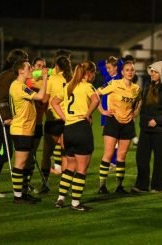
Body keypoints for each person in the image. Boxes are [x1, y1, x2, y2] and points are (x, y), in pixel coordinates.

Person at [52, 60, 99, 211]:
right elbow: (96, 100)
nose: (94, 76)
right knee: (81, 169)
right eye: (93, 73)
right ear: (88, 73)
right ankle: (75, 203)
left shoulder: (68, 86)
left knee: (70, 166)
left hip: (68, 130)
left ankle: (60, 199)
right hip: (81, 129)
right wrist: (87, 114)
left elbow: (54, 102)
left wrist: (65, 117)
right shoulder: (87, 86)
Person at [97, 61, 141, 194]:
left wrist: (136, 112)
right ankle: (102, 186)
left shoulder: (136, 88)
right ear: (122, 72)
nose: (129, 72)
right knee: (108, 154)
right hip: (113, 122)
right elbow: (96, 93)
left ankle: (119, 186)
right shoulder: (114, 83)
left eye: (132, 70)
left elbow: (139, 100)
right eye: (127, 70)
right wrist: (102, 111)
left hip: (127, 123)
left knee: (121, 156)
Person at [0, 49, 28, 198]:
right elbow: (0, 99)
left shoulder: (8, 74)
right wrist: (7, 118)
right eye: (26, 60)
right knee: (5, 154)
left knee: (1, 152)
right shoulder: (10, 77)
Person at [132, 61, 162, 193]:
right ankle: (141, 185)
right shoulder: (148, 85)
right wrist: (143, 119)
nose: (152, 74)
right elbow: (144, 106)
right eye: (151, 71)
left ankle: (156, 186)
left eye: (155, 71)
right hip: (145, 129)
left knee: (158, 160)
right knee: (141, 158)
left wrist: (157, 120)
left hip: (160, 130)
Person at [9, 59, 48, 204]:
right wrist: (44, 78)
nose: (31, 69)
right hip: (21, 129)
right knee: (20, 163)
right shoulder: (18, 86)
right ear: (21, 71)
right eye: (28, 67)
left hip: (26, 129)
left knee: (26, 163)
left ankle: (23, 193)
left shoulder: (21, 85)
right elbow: (40, 96)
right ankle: (18, 197)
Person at [39, 56, 73, 194]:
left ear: (56, 66)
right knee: (65, 154)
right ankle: (64, 187)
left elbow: (45, 99)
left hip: (53, 119)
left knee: (47, 154)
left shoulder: (52, 79)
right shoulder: (71, 79)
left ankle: (44, 184)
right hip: (68, 120)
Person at [97, 56, 123, 170]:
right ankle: (112, 161)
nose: (107, 69)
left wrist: (118, 61)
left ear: (116, 67)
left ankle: (113, 162)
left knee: (114, 138)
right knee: (107, 138)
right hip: (105, 111)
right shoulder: (108, 76)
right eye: (107, 68)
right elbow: (99, 62)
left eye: (109, 68)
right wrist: (109, 60)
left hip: (113, 111)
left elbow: (121, 64)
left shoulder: (119, 78)